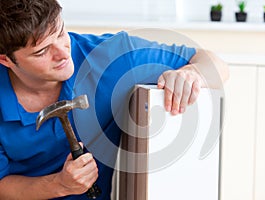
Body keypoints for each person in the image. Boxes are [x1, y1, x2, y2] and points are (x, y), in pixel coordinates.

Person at [0, 0, 229, 199]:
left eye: (60, 32)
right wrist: (59, 185)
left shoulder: (111, 57)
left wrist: (191, 74)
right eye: (42, 51)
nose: (62, 53)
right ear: (6, 60)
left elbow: (215, 64)